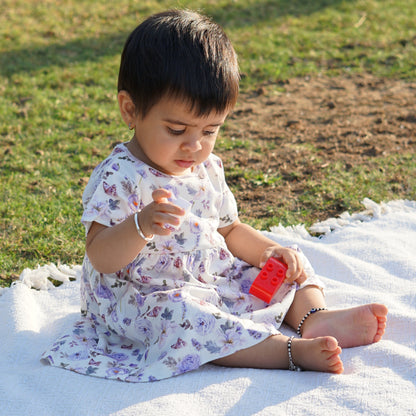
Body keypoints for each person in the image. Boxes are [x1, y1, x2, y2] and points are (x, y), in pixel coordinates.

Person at [41, 9, 388, 382]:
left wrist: (269, 251)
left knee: (286, 263)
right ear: (131, 110)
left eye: (210, 130)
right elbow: (101, 256)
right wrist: (140, 225)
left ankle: (315, 317)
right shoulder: (119, 176)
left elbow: (230, 229)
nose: (194, 146)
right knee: (189, 320)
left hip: (211, 275)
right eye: (176, 130)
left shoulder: (207, 168)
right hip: (143, 299)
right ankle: (285, 351)